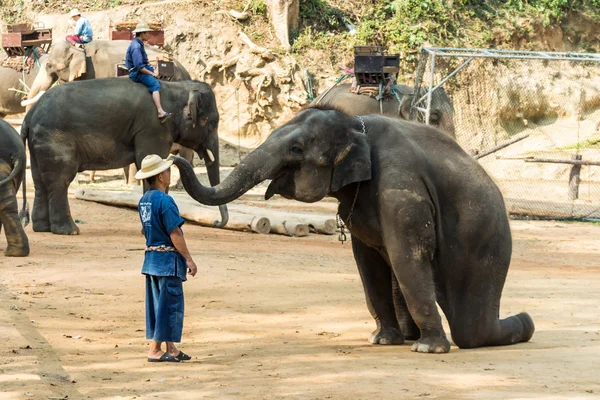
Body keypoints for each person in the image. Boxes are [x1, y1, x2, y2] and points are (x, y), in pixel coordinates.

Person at [136, 154, 198, 362]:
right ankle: (154, 349)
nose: (169, 174)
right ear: (160, 176)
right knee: (169, 305)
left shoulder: (144, 201)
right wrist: (189, 259)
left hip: (152, 261)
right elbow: (175, 234)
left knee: (158, 305)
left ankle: (170, 348)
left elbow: (146, 230)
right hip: (167, 263)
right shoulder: (165, 201)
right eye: (167, 171)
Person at [126, 23, 172, 123]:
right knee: (154, 84)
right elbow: (139, 67)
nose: (149, 35)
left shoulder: (139, 43)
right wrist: (152, 74)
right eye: (148, 33)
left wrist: (153, 69)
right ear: (142, 34)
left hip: (142, 68)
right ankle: (160, 111)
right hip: (136, 73)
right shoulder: (136, 47)